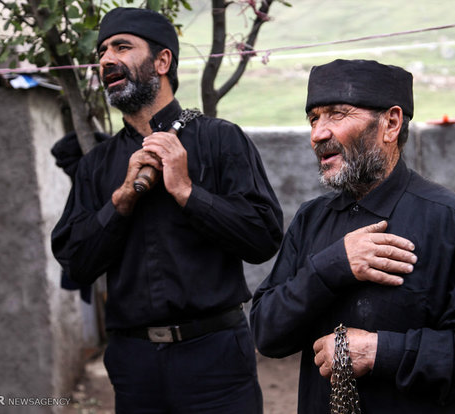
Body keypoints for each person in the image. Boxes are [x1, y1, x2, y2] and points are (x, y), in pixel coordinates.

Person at [51, 7, 283, 413]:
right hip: (134, 367)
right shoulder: (97, 166)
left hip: (216, 361)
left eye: (122, 47)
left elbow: (263, 238)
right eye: (103, 51)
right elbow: (75, 263)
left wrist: (187, 191)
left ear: (162, 61)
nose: (106, 59)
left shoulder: (221, 139)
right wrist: (120, 202)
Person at [250, 59, 455, 413]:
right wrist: (332, 266)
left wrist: (378, 351)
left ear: (390, 123)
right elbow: (267, 332)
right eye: (314, 118)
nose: (318, 134)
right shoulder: (310, 220)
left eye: (337, 114)